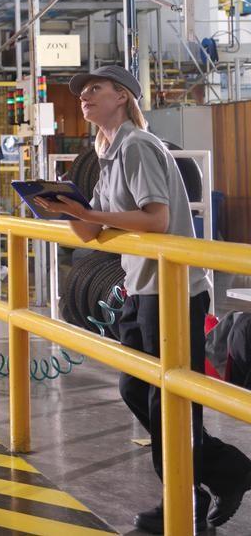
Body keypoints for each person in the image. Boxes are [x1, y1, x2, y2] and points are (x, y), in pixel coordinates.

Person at [37, 65, 251, 533]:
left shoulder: (137, 146)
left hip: (172, 292)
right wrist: (65, 209)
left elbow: (156, 219)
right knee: (138, 389)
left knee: (167, 399)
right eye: (82, 92)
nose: (85, 97)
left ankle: (185, 502)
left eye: (96, 89)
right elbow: (92, 231)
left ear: (123, 96)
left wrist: (88, 211)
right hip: (142, 288)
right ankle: (225, 470)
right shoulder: (106, 151)